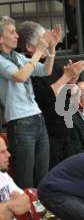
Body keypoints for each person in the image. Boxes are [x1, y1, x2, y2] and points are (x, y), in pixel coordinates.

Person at [16, 21, 84, 169]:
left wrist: (71, 79)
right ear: (29, 47)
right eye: (42, 40)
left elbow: (63, 88)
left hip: (65, 127)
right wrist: (66, 77)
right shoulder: (26, 68)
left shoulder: (50, 63)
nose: (47, 44)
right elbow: (45, 97)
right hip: (48, 131)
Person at [0, 16, 60, 188]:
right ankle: (26, 214)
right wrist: (39, 52)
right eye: (11, 32)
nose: (17, 36)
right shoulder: (1, 60)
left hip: (37, 117)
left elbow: (45, 70)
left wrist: (52, 49)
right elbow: (20, 76)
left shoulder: (17, 56)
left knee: (42, 174)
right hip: (20, 121)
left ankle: (41, 213)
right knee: (24, 176)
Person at [0, 136, 39, 220]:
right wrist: (13, 204)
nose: (8, 155)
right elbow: (1, 215)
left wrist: (7, 206)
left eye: (7, 150)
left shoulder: (3, 176)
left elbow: (26, 201)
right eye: (2, 152)